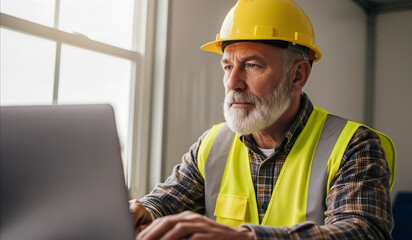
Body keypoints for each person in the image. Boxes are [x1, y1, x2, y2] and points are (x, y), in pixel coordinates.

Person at [129, 0, 396, 239]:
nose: (233, 83)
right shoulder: (211, 146)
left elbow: (363, 231)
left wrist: (247, 238)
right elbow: (165, 203)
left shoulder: (353, 145)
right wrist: (143, 212)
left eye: (252, 65)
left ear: (298, 76)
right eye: (227, 67)